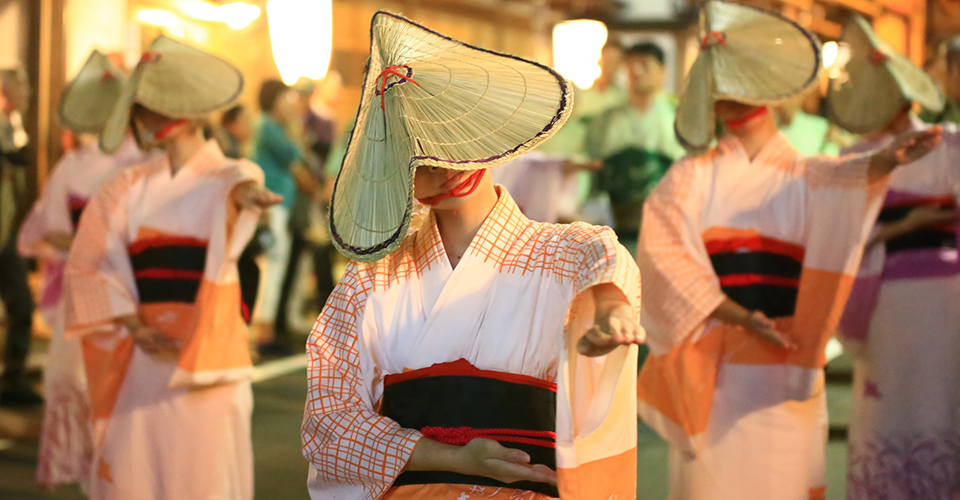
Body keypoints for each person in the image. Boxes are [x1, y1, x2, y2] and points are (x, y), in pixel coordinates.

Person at [302, 11, 642, 499]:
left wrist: (609, 304)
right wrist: (452, 458)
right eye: (421, 158)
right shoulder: (370, 280)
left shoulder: (564, 252)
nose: (447, 167)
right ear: (397, 177)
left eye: (454, 144)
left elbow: (600, 254)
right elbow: (328, 421)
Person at [634, 3, 943, 499]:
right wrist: (736, 314)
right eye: (722, 86)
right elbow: (666, 260)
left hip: (788, 362)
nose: (732, 97)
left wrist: (884, 160)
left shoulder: (811, 173)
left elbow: (850, 179)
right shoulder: (688, 179)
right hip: (718, 368)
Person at [62, 35, 279, 500]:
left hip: (206, 360)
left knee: (204, 480)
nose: (153, 115)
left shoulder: (232, 175)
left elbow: (240, 186)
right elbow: (89, 264)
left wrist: (245, 199)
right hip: (142, 355)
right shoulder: (122, 187)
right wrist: (131, 324)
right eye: (145, 105)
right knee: (134, 478)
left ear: (194, 107)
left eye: (164, 103)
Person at [829, 16, 960, 499]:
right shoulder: (856, 156)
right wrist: (905, 225)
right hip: (885, 295)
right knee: (890, 399)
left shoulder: (949, 143)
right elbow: (837, 235)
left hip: (948, 296)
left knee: (943, 396)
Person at [17, 50, 150, 489]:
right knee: (81, 381)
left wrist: (81, 244)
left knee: (96, 383)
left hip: (112, 283)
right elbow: (47, 229)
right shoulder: (110, 163)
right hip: (105, 279)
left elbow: (49, 229)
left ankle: (105, 472)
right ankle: (98, 472)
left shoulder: (122, 163)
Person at [584, 41, 686, 255]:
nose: (636, 71)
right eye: (631, 65)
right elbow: (589, 168)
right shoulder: (605, 121)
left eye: (645, 65)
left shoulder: (679, 118)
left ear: (662, 71)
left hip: (670, 229)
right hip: (617, 227)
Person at [250, 79, 317, 355]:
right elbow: (295, 154)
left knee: (274, 270)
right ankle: (260, 334)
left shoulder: (270, 126)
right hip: (270, 207)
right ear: (274, 101)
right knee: (271, 270)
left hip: (279, 207)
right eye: (286, 100)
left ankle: (266, 330)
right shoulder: (267, 125)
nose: (290, 106)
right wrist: (295, 125)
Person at [273, 76, 338, 341]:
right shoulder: (289, 124)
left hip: (310, 198)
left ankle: (299, 317)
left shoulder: (321, 121)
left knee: (308, 258)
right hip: (299, 199)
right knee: (296, 259)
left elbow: (321, 157)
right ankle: (284, 320)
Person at [0, 63, 42, 406]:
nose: (26, 97)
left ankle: (14, 374)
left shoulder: (13, 126)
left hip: (5, 232)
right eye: (21, 90)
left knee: (22, 305)